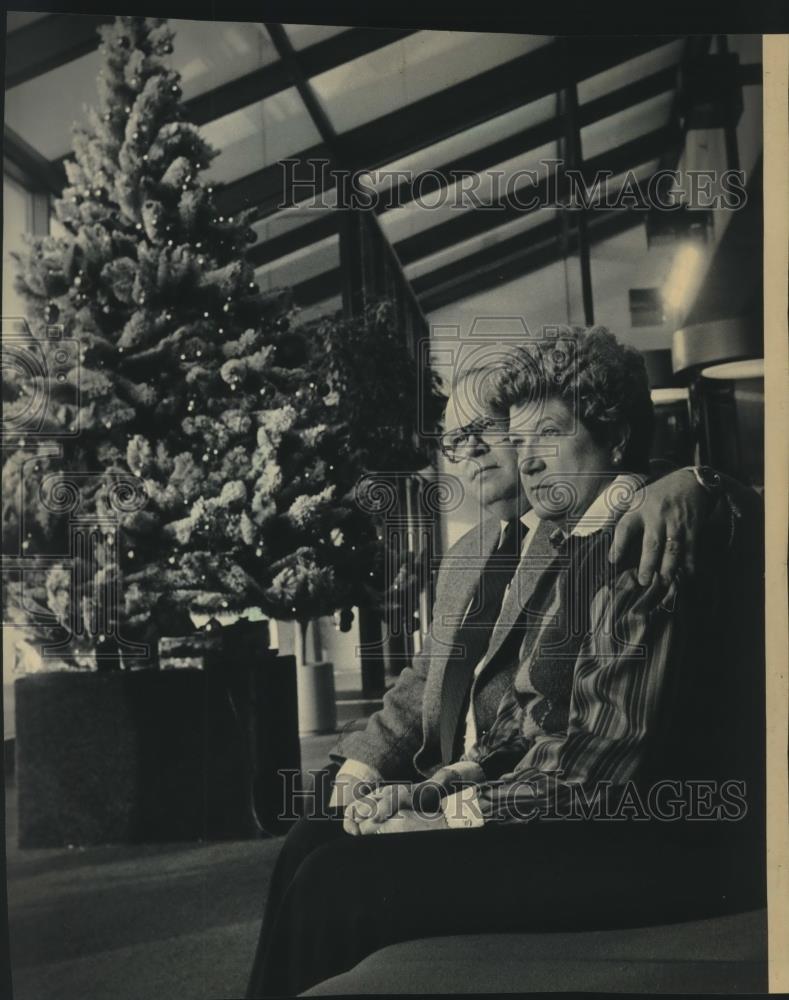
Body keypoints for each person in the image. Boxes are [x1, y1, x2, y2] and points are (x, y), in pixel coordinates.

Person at [245, 327, 764, 997]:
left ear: (611, 436)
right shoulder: (566, 543)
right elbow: (526, 718)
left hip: (640, 840)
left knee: (335, 883)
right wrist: (433, 786)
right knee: (321, 844)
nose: (530, 462)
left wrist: (441, 814)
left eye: (548, 436)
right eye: (520, 443)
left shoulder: (641, 537)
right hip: (555, 809)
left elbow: (590, 776)